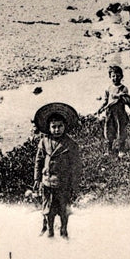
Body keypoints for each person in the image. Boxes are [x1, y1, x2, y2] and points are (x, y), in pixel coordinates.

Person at [33, 102, 82, 239]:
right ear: (48, 128)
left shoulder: (71, 144)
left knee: (63, 209)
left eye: (60, 126)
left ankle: (64, 230)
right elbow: (39, 161)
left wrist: (75, 184)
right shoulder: (44, 142)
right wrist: (37, 179)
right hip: (47, 182)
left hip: (63, 183)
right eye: (53, 127)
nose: (56, 130)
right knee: (48, 209)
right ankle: (49, 231)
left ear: (65, 127)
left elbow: (76, 166)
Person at [97, 65, 130, 153]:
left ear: (121, 76)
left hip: (120, 114)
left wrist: (118, 96)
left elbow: (124, 98)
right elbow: (106, 101)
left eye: (118, 76)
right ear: (110, 77)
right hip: (110, 113)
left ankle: (121, 150)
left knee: (121, 131)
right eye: (113, 76)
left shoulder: (123, 88)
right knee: (109, 131)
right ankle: (109, 149)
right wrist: (101, 108)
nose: (115, 78)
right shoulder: (108, 89)